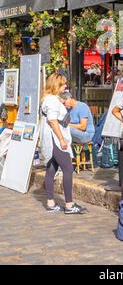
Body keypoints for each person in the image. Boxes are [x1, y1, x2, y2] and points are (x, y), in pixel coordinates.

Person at [40, 73, 86, 214]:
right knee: (68, 169)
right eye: (63, 84)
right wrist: (61, 139)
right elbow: (53, 121)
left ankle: (50, 202)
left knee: (51, 169)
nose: (66, 86)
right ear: (56, 85)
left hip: (52, 138)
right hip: (56, 139)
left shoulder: (49, 99)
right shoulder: (52, 101)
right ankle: (69, 205)